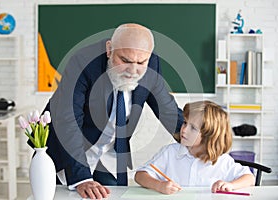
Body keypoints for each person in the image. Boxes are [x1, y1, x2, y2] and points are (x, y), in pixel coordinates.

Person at [36, 23, 184, 199]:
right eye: (125, 60)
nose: (133, 70)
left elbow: (165, 107)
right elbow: (68, 119)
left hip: (112, 152)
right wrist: (81, 178)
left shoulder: (151, 64)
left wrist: (195, 137)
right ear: (109, 49)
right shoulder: (83, 61)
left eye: (141, 62)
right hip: (72, 150)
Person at [134, 100, 255, 195]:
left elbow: (249, 178)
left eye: (193, 128)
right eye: (185, 123)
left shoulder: (222, 161)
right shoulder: (170, 152)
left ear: (209, 135)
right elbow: (140, 176)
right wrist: (159, 185)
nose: (184, 130)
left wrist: (230, 185)